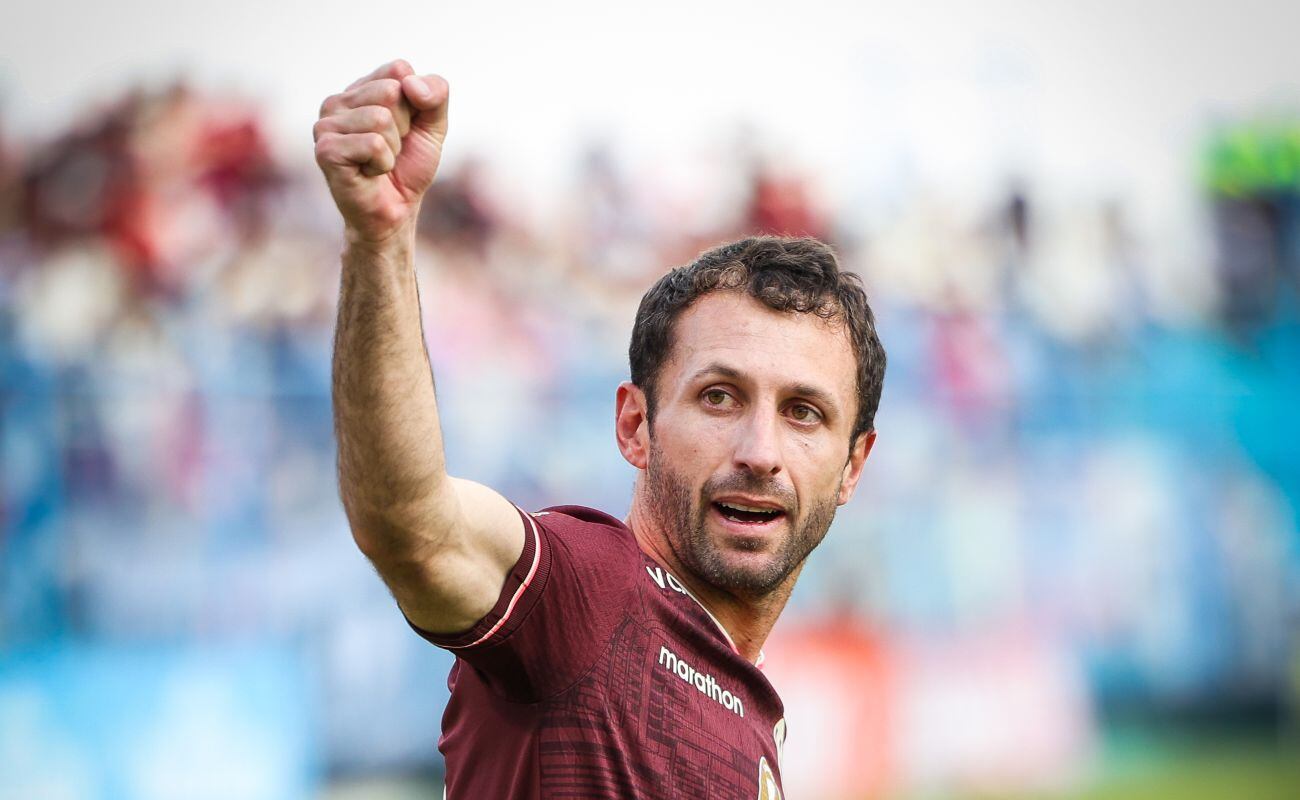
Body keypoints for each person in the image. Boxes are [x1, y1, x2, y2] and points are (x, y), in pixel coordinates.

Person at [315, 60, 886, 800]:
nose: (760, 453)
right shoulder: (588, 599)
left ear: (853, 466)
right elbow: (411, 525)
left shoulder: (750, 716)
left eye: (803, 413)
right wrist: (380, 240)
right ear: (635, 425)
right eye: (719, 398)